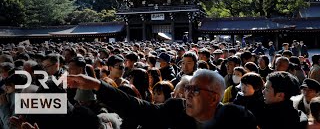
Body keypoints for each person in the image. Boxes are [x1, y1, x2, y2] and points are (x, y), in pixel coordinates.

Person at [67, 69, 257, 129]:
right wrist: (97, 86)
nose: (187, 94)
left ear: (215, 98)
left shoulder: (239, 119)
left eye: (195, 90)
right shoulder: (175, 109)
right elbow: (137, 108)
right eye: (187, 88)